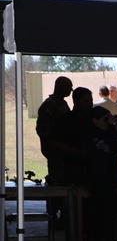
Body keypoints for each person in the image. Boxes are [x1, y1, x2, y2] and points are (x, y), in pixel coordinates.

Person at [84, 106, 117, 241]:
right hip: (98, 180)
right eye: (105, 119)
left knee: (108, 219)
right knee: (102, 220)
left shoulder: (111, 133)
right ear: (94, 121)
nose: (108, 122)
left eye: (109, 118)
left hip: (109, 180)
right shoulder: (90, 135)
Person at [36, 76, 73, 222]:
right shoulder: (49, 105)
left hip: (65, 152)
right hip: (55, 151)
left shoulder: (62, 104)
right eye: (68, 87)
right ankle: (53, 215)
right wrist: (54, 144)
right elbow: (42, 129)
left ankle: (64, 214)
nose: (70, 90)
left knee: (65, 182)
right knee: (56, 183)